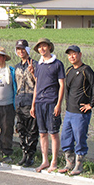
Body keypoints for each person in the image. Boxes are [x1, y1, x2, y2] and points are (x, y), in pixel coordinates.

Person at [58, 45, 94, 175]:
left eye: (74, 54)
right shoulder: (69, 71)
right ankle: (69, 162)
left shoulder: (86, 70)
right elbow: (66, 90)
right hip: (69, 111)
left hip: (81, 113)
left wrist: (91, 104)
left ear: (80, 55)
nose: (72, 57)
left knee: (80, 138)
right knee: (66, 137)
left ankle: (79, 165)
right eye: (69, 55)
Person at [30, 38, 65, 173]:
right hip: (39, 102)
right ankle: (45, 161)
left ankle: (54, 161)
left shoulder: (57, 64)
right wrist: (33, 104)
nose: (42, 49)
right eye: (40, 47)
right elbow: (37, 85)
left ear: (49, 47)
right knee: (42, 133)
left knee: (53, 133)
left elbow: (62, 85)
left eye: (44, 46)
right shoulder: (38, 65)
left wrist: (58, 104)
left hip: (51, 102)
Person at [13, 39, 38, 167]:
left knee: (32, 130)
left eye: (23, 49)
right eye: (18, 49)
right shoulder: (16, 67)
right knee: (21, 129)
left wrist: (33, 72)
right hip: (19, 101)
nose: (21, 51)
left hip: (31, 100)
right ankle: (24, 153)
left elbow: (38, 82)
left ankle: (31, 156)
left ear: (27, 50)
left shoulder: (35, 64)